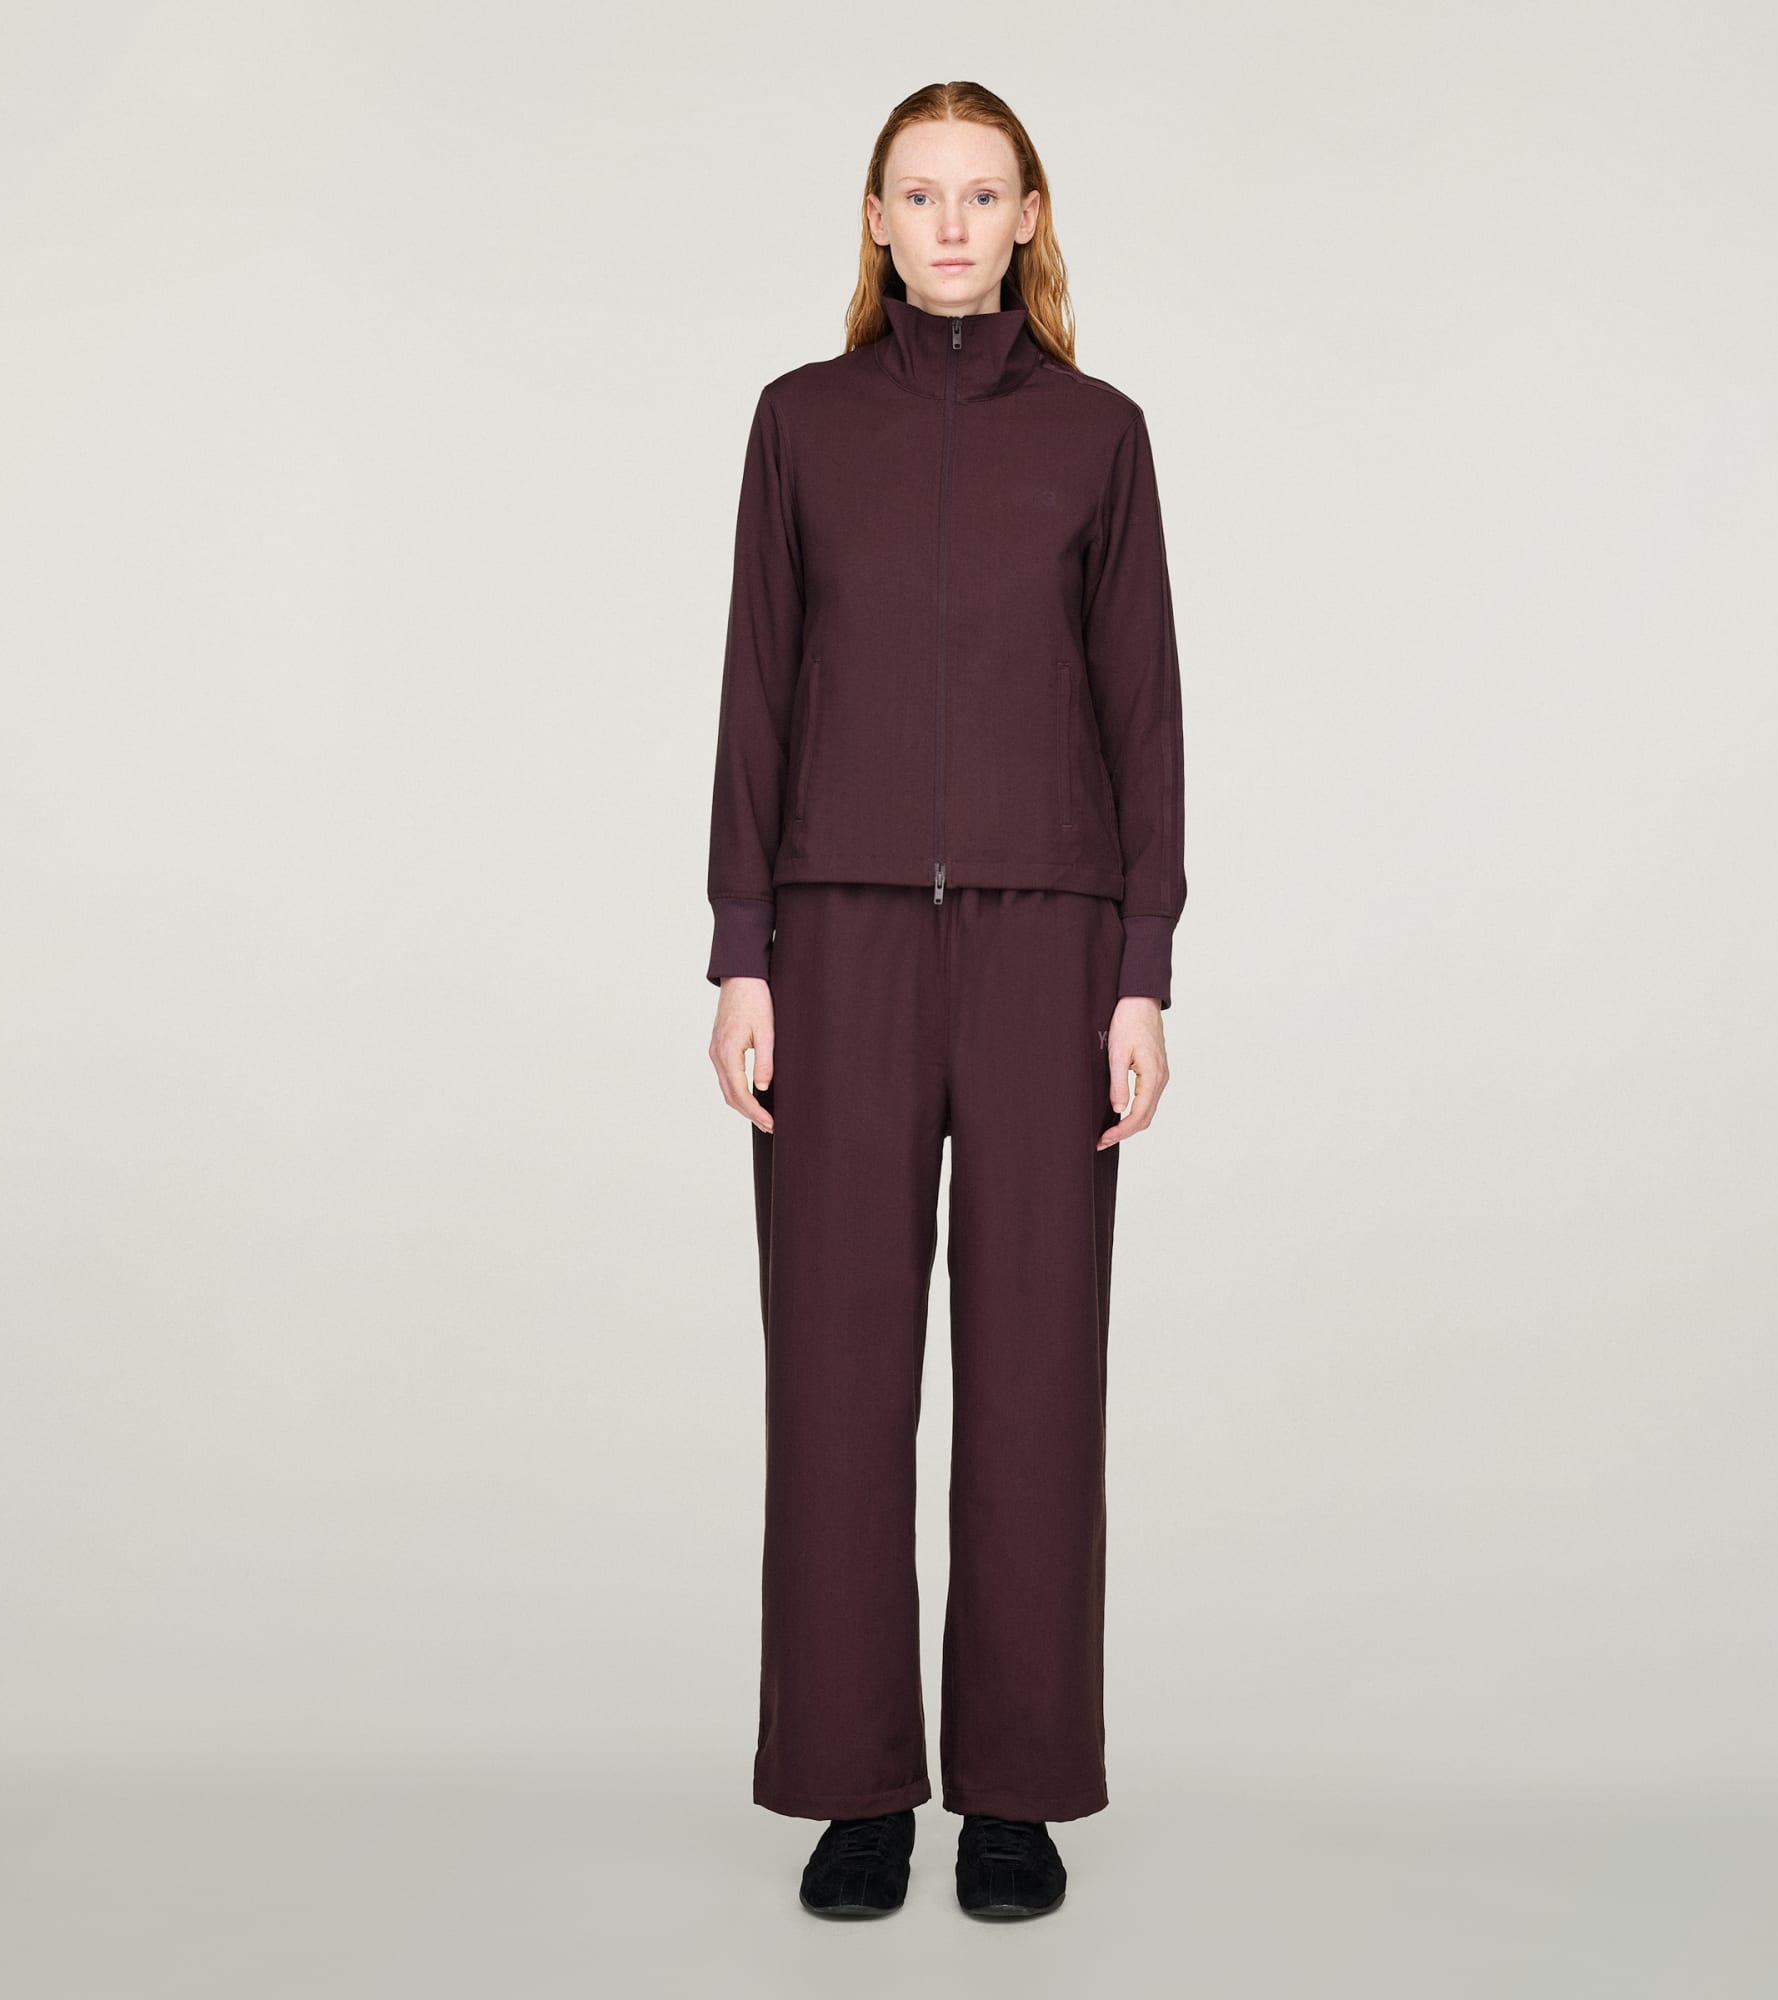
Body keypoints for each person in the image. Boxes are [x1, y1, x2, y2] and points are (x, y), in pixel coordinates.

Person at [703, 80, 1188, 1921]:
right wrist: (740, 948)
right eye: (923, 195)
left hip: (1051, 940)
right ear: (879, 219)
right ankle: (855, 1792)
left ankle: (1014, 1793)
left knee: (1036, 1369)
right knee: (835, 1371)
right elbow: (756, 688)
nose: (956, 224)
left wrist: (1141, 973)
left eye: (986, 194)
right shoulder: (801, 425)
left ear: (1030, 216)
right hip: (836, 940)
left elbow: (1144, 713)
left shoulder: (1101, 437)